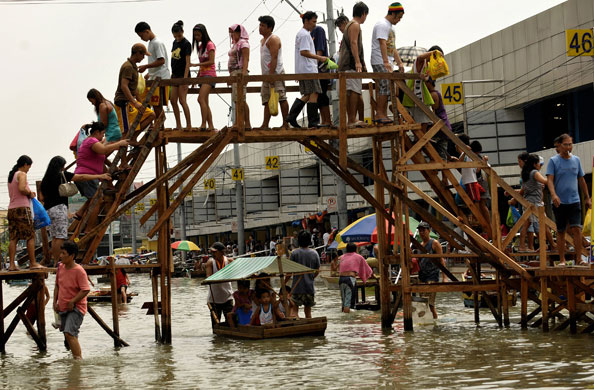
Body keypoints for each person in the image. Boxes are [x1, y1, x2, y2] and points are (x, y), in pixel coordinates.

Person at [39, 156, 110, 266]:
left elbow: (42, 198)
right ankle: (58, 262)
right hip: (59, 208)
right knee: (60, 237)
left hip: (48, 210)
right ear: (60, 166)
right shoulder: (61, 175)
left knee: (54, 237)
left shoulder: (45, 180)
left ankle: (55, 262)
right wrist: (100, 176)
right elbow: (81, 177)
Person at [546, 134, 591, 266]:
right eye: (565, 144)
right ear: (559, 146)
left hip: (574, 201)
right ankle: (562, 260)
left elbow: (581, 179)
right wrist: (554, 195)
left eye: (570, 144)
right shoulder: (553, 161)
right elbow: (549, 179)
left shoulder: (576, 160)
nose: (568, 147)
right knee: (561, 231)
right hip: (560, 202)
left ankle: (579, 259)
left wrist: (587, 198)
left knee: (576, 229)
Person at [287, 11, 328, 129]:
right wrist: (319, 57)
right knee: (314, 93)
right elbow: (304, 52)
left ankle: (292, 115)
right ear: (306, 21)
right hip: (309, 69)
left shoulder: (301, 34)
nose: (314, 25)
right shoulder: (305, 35)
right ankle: (313, 122)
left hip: (304, 69)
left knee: (308, 94)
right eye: (313, 22)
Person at [53, 240, 90, 359]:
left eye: (63, 253)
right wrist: (54, 302)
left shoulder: (79, 271)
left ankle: (78, 362)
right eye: (61, 253)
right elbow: (57, 285)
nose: (60, 256)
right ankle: (75, 363)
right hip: (63, 307)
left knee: (69, 333)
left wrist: (73, 301)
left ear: (72, 256)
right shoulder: (60, 267)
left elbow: (85, 289)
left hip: (76, 308)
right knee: (69, 335)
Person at [74, 122, 128, 199]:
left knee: (94, 201)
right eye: (103, 133)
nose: (103, 136)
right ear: (96, 132)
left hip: (87, 177)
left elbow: (102, 158)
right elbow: (104, 150)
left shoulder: (89, 141)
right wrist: (119, 144)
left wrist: (115, 167)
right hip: (86, 178)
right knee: (96, 202)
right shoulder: (91, 141)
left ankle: (79, 212)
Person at [370, 2, 405, 124]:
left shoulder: (390, 27)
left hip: (386, 60)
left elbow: (392, 46)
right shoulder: (382, 24)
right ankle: (380, 113)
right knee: (384, 86)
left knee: (385, 87)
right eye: (399, 17)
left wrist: (399, 63)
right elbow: (382, 43)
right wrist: (386, 62)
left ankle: (382, 114)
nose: (399, 20)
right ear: (393, 14)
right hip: (380, 60)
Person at [6, 155, 42, 271]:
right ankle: (33, 263)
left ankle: (11, 265)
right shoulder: (22, 174)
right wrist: (30, 193)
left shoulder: (11, 176)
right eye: (29, 167)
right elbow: (22, 188)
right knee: (30, 236)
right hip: (22, 209)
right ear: (25, 164)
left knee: (13, 237)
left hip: (11, 209)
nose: (28, 170)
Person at [337, 2, 369, 128]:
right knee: (355, 91)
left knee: (351, 91)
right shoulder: (355, 25)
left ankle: (352, 119)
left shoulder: (350, 25)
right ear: (363, 13)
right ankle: (351, 120)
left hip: (346, 63)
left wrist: (362, 62)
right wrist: (357, 61)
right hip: (350, 64)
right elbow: (354, 43)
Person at [114, 43, 156, 133]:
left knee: (151, 115)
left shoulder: (134, 67)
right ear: (137, 53)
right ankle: (126, 141)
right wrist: (135, 103)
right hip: (123, 102)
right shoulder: (128, 67)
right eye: (143, 55)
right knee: (125, 131)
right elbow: (124, 86)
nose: (143, 58)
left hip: (130, 102)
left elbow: (134, 89)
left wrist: (140, 103)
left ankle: (133, 138)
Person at [257, 15, 289, 129]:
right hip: (266, 74)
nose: (260, 28)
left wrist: (271, 76)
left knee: (281, 97)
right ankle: (265, 124)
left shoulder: (273, 39)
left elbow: (274, 57)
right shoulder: (263, 40)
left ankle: (286, 124)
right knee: (266, 99)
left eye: (263, 26)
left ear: (269, 28)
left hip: (275, 73)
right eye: (260, 25)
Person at [135, 21, 171, 119]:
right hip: (155, 76)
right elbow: (155, 61)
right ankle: (159, 127)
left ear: (147, 31)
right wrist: (149, 73)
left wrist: (146, 66)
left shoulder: (157, 43)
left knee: (157, 105)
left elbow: (161, 60)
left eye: (141, 35)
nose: (141, 38)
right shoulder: (151, 43)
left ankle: (160, 128)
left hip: (161, 77)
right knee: (155, 104)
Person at [414, 221, 445, 319]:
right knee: (422, 302)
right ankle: (425, 321)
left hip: (432, 275)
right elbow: (418, 261)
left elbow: (441, 259)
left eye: (424, 230)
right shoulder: (420, 245)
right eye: (420, 231)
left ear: (429, 231)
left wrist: (444, 277)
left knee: (430, 304)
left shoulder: (434, 243)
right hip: (422, 275)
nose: (422, 233)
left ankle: (435, 322)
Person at [517, 154, 548, 252]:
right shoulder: (534, 172)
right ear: (534, 164)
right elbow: (545, 181)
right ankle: (545, 245)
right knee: (542, 224)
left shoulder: (526, 173)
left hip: (528, 202)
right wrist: (553, 176)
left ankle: (523, 245)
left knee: (527, 224)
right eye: (539, 163)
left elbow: (525, 189)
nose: (540, 165)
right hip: (535, 203)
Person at [288, 230, 320, 318]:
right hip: (309, 287)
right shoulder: (315, 253)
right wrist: (311, 277)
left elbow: (289, 272)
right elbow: (317, 270)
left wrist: (284, 282)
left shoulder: (294, 253)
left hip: (297, 287)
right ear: (309, 241)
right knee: (308, 312)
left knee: (294, 310)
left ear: (298, 240)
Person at [192, 24, 217, 130]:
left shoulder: (210, 45)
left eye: (198, 35)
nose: (197, 37)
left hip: (210, 75)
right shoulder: (201, 46)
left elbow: (211, 61)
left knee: (200, 99)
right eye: (195, 36)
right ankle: (210, 125)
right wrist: (196, 79)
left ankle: (203, 124)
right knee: (205, 102)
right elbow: (201, 63)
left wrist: (197, 65)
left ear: (203, 33)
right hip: (202, 76)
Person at [205, 241, 234, 326]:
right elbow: (208, 277)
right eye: (211, 252)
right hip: (214, 299)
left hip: (227, 297)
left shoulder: (229, 261)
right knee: (215, 326)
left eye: (214, 252)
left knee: (230, 324)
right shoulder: (210, 262)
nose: (212, 254)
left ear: (222, 252)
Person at [228, 24, 251, 129]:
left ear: (239, 32)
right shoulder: (235, 44)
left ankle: (242, 123)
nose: (232, 35)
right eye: (231, 33)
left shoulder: (243, 43)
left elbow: (246, 59)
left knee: (241, 99)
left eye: (234, 32)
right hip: (234, 74)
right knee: (237, 99)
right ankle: (240, 122)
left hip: (239, 73)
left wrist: (244, 73)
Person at [170, 20, 192, 130]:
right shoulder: (174, 42)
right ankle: (178, 124)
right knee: (173, 100)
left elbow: (188, 62)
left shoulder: (186, 44)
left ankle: (188, 125)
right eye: (175, 36)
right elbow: (173, 59)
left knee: (182, 100)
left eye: (179, 35)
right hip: (174, 75)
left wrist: (185, 78)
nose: (177, 37)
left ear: (182, 32)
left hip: (184, 75)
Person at [338, 242, 373, 313]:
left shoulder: (342, 257)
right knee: (348, 304)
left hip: (341, 279)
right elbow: (368, 270)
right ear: (356, 249)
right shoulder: (358, 257)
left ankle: (343, 321)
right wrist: (370, 275)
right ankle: (349, 322)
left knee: (344, 302)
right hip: (350, 279)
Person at [311, 25, 331, 127]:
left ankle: (327, 120)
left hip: (320, 68)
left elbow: (320, 50)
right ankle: (324, 121)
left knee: (322, 94)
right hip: (314, 69)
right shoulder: (308, 33)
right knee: (318, 96)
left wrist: (315, 66)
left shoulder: (318, 30)